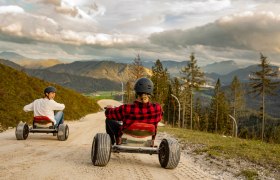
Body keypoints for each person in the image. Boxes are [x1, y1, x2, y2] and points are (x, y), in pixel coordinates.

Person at [105, 77, 163, 145]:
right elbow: (160, 116)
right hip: (148, 139)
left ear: (136, 92)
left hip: (127, 136)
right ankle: (151, 141)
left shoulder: (126, 108)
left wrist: (109, 108)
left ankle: (112, 143)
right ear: (150, 93)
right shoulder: (157, 108)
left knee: (109, 120)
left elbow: (109, 114)